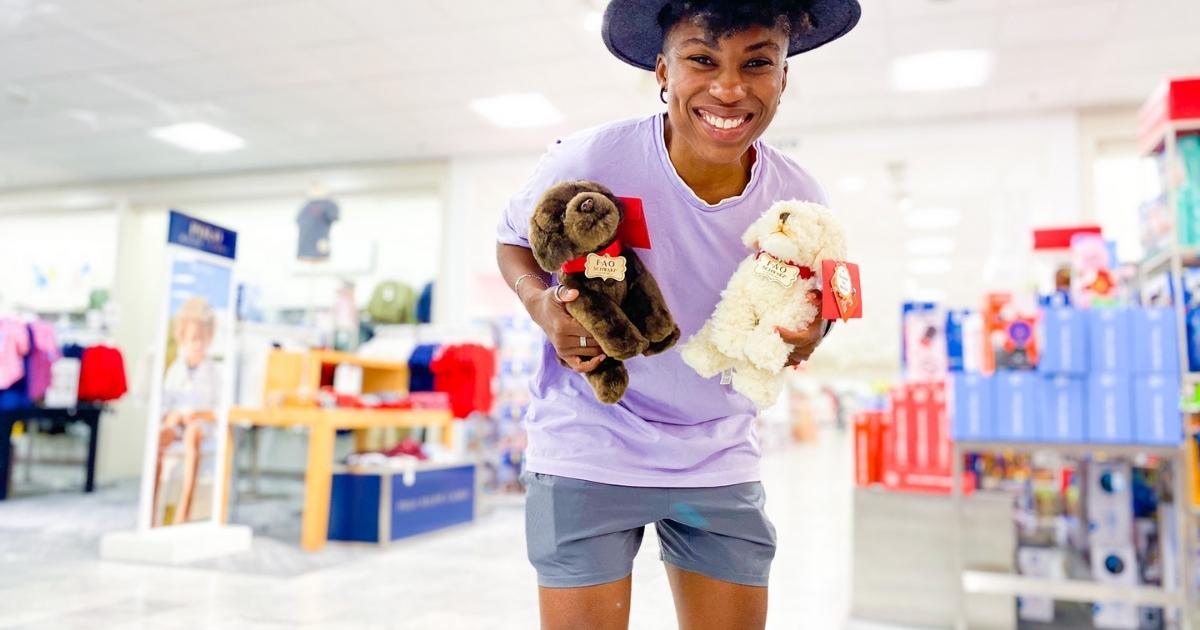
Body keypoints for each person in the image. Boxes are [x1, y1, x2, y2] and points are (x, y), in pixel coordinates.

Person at [495, 1, 861, 627]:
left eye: (757, 63)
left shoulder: (799, 199)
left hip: (718, 450)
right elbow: (514, 241)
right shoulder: (590, 158)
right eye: (701, 60)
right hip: (591, 436)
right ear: (662, 71)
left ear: (783, 77)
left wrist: (806, 334)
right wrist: (541, 307)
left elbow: (816, 308)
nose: (728, 87)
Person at [155, 297, 221, 525]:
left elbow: (218, 410)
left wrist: (198, 415)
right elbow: (165, 403)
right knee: (160, 439)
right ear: (182, 338)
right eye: (193, 339)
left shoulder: (214, 373)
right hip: (177, 422)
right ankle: (152, 510)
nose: (197, 345)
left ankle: (184, 512)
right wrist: (171, 417)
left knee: (193, 436)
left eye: (202, 339)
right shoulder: (175, 370)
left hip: (199, 426)